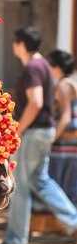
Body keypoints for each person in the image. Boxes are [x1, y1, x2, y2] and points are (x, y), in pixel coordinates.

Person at [0, 26, 77, 244]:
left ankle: (16, 239)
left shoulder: (32, 67)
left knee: (20, 184)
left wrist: (17, 130)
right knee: (39, 180)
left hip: (32, 132)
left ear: (20, 44)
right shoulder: (45, 66)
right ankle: (73, 221)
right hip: (43, 131)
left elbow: (36, 102)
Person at [47, 49, 77, 205]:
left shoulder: (63, 86)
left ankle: (68, 224)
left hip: (65, 146)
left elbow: (65, 117)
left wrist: (51, 139)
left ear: (56, 67)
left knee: (61, 188)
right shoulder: (71, 83)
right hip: (72, 143)